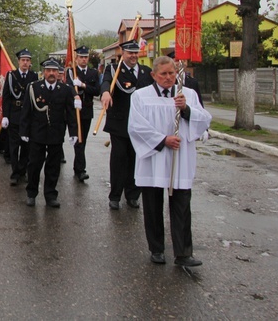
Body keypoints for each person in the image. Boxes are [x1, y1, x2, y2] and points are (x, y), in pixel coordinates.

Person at [129, 56, 212, 267]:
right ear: (153, 75)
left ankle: (183, 253)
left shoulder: (188, 94)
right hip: (154, 157)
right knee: (153, 205)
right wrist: (162, 140)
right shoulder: (140, 96)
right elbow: (136, 127)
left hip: (180, 158)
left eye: (172, 73)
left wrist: (186, 110)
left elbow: (204, 120)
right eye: (163, 74)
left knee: (182, 205)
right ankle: (156, 249)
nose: (168, 78)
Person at [100, 40, 154, 210]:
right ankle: (115, 196)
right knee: (119, 159)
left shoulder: (146, 72)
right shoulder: (114, 69)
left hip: (140, 125)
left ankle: (132, 194)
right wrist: (106, 92)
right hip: (120, 123)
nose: (134, 56)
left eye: (136, 53)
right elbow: (105, 82)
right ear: (123, 53)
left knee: (135, 160)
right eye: (130, 53)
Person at [19, 58, 79, 207]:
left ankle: (51, 195)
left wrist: (73, 132)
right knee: (34, 165)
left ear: (58, 73)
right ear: (44, 72)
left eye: (54, 70)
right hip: (37, 133)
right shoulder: (33, 88)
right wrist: (24, 131)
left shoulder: (65, 90)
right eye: (48, 70)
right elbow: (26, 111)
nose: (51, 73)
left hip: (56, 133)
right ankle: (31, 193)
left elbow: (70, 113)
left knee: (53, 167)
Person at [2, 48, 39, 185]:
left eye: (27, 60)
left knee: (26, 146)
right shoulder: (11, 76)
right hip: (15, 113)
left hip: (28, 116)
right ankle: (15, 173)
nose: (25, 63)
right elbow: (6, 97)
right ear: (18, 61)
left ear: (30, 63)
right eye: (23, 60)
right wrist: (5, 116)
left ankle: (23, 171)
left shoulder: (34, 76)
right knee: (14, 146)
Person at [64, 46, 100, 182]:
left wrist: (83, 85)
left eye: (85, 57)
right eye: (81, 57)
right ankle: (80, 169)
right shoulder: (71, 72)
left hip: (87, 110)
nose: (83, 59)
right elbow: (68, 87)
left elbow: (96, 91)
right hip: (74, 110)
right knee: (77, 139)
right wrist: (75, 95)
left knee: (82, 140)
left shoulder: (93, 73)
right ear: (77, 58)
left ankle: (79, 168)